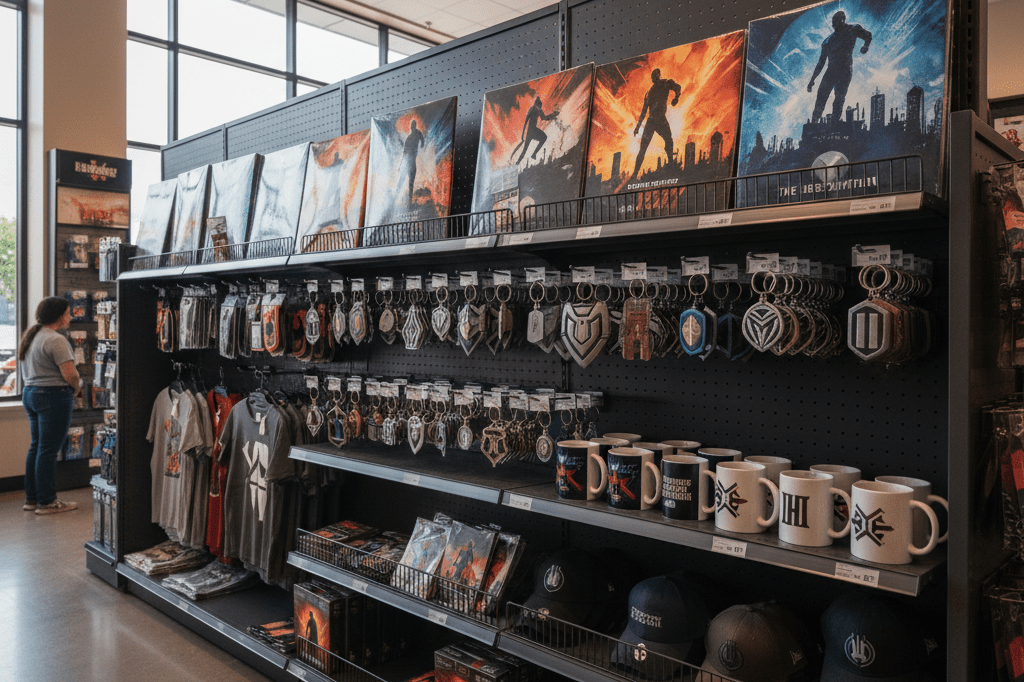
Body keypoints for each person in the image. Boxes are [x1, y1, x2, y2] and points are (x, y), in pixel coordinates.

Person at [19, 297, 80, 514]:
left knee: (37, 447)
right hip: (53, 396)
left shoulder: (32, 336)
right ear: (59, 315)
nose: (71, 316)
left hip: (31, 394)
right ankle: (47, 501)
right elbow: (70, 374)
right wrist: (77, 387)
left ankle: (32, 499)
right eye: (68, 312)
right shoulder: (56, 340)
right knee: (48, 450)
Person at [807, 11, 872, 124]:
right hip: (831, 70)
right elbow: (820, 63)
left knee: (839, 99)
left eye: (836, 22)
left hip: (845, 68)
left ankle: (834, 125)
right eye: (833, 23)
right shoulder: (827, 41)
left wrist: (866, 46)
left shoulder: (853, 29)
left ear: (843, 20)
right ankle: (813, 123)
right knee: (821, 96)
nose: (834, 25)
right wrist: (812, 80)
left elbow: (868, 35)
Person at [631, 68, 682, 179]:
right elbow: (644, 111)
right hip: (653, 120)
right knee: (644, 148)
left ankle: (671, 165)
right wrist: (637, 127)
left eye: (656, 76)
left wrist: (676, 98)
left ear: (659, 75)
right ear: (653, 79)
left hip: (658, 120)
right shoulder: (650, 92)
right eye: (653, 77)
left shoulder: (666, 83)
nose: (654, 78)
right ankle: (635, 174)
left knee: (668, 140)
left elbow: (678, 88)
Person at [515, 96, 559, 165]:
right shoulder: (537, 110)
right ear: (539, 105)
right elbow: (544, 118)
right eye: (540, 106)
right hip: (533, 131)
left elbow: (526, 122)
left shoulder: (532, 109)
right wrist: (553, 115)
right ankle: (534, 154)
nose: (540, 107)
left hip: (529, 132)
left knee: (524, 150)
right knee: (544, 138)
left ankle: (517, 163)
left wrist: (523, 135)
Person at [397, 119, 425, 204]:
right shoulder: (409, 138)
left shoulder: (417, 133)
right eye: (411, 126)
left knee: (411, 183)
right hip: (408, 162)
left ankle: (409, 201)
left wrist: (422, 144)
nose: (412, 128)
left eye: (413, 126)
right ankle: (396, 197)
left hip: (411, 161)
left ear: (414, 126)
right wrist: (401, 165)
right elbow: (404, 153)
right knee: (402, 180)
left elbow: (422, 140)